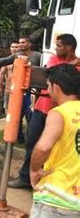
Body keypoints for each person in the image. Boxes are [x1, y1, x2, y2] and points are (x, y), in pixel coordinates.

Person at [9, 33, 80, 189]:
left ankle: (48, 180)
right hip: (43, 109)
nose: (56, 48)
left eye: (59, 46)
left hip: (62, 113)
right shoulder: (55, 59)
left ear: (69, 48)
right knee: (32, 143)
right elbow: (51, 74)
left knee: (56, 148)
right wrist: (74, 64)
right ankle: (25, 177)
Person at [29, 64, 80, 217]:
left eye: (48, 86)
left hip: (55, 198)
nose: (48, 91)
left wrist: (34, 170)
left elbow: (43, 147)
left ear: (56, 87)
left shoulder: (58, 113)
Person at [0, 41, 20, 113]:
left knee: (18, 111)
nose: (14, 49)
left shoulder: (24, 59)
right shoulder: (7, 60)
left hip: (20, 90)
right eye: (12, 47)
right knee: (8, 110)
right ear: (10, 48)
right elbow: (2, 73)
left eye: (16, 47)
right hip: (9, 90)